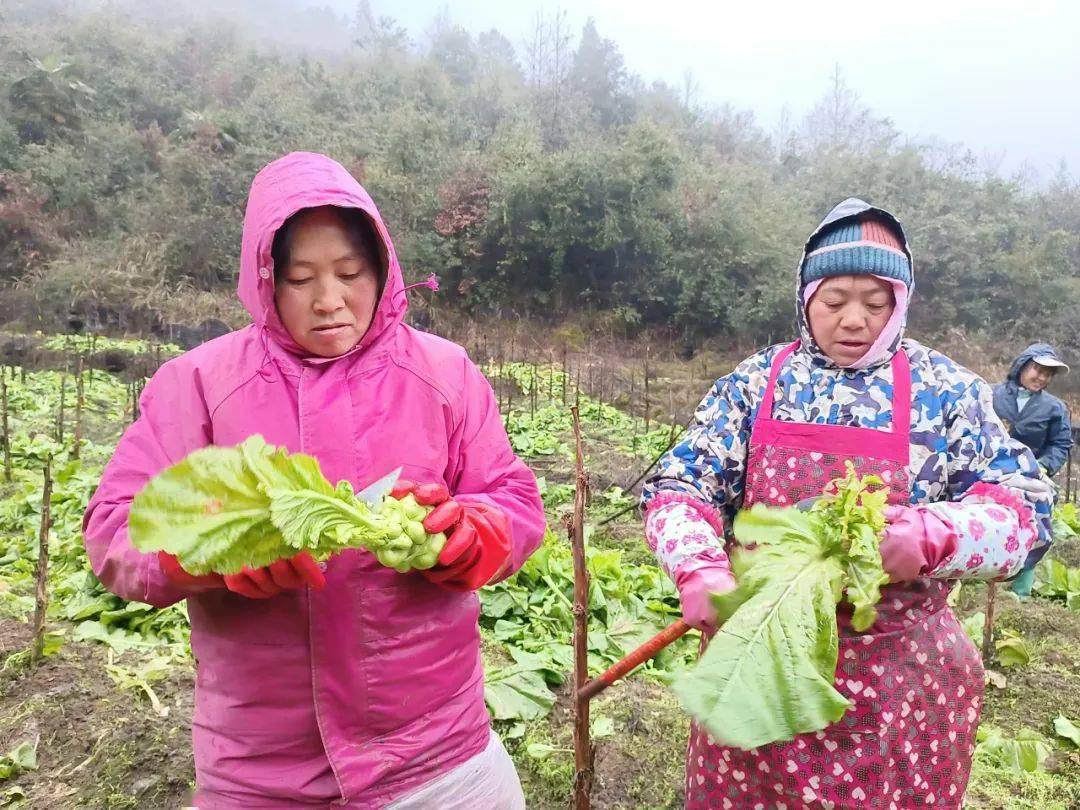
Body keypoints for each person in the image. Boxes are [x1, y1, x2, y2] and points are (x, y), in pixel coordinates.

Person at [83, 152, 546, 808]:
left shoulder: (443, 373)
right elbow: (114, 529)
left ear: (382, 269)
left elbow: (513, 497)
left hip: (438, 754)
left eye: (350, 274)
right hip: (264, 773)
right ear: (265, 280)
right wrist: (214, 555)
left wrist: (476, 535)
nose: (329, 301)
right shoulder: (199, 384)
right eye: (301, 279)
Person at [641, 198, 1053, 809]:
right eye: (834, 301)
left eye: (876, 302)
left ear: (901, 303)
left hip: (897, 687)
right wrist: (697, 563)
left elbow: (1026, 512)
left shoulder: (947, 392)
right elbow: (679, 484)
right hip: (761, 663)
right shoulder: (758, 382)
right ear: (806, 299)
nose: (853, 320)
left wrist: (932, 535)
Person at [993, 343, 1073, 596]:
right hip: (989, 468)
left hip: (1031, 476)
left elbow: (1060, 444)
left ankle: (1021, 588)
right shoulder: (991, 394)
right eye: (1037, 369)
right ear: (1022, 366)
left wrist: (1044, 466)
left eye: (1048, 374)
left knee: (1038, 517)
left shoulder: (1054, 408)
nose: (1041, 377)